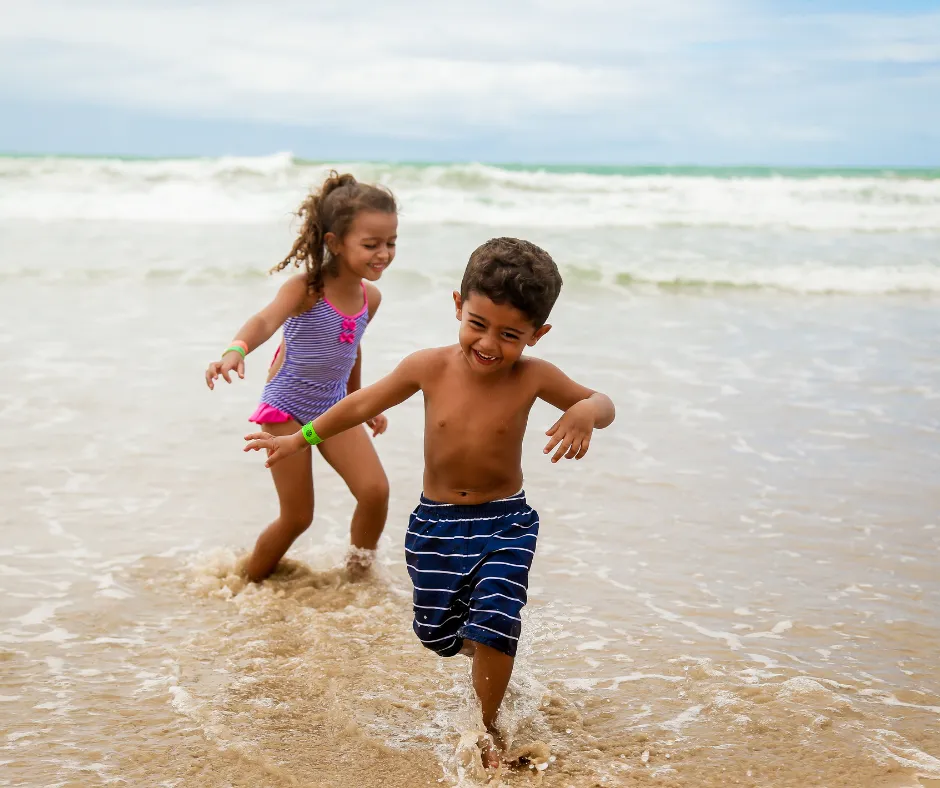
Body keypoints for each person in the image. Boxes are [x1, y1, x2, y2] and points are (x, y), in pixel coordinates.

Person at [243, 237, 615, 767]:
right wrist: (298, 439)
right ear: (458, 304)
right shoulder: (428, 367)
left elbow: (603, 404)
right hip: (435, 524)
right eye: (477, 324)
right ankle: (485, 650)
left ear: (538, 334)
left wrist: (586, 412)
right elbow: (360, 402)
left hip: (505, 519)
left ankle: (488, 732)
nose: (489, 344)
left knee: (498, 613)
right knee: (436, 634)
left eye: (510, 335)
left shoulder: (535, 376)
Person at [206, 171, 397, 582]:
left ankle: (356, 579)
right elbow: (264, 320)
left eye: (391, 242)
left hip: (334, 406)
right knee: (298, 517)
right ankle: (248, 583)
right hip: (286, 408)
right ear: (334, 242)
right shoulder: (306, 289)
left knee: (375, 492)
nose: (383, 253)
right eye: (371, 244)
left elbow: (351, 347)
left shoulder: (371, 298)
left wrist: (360, 401)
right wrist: (235, 350)